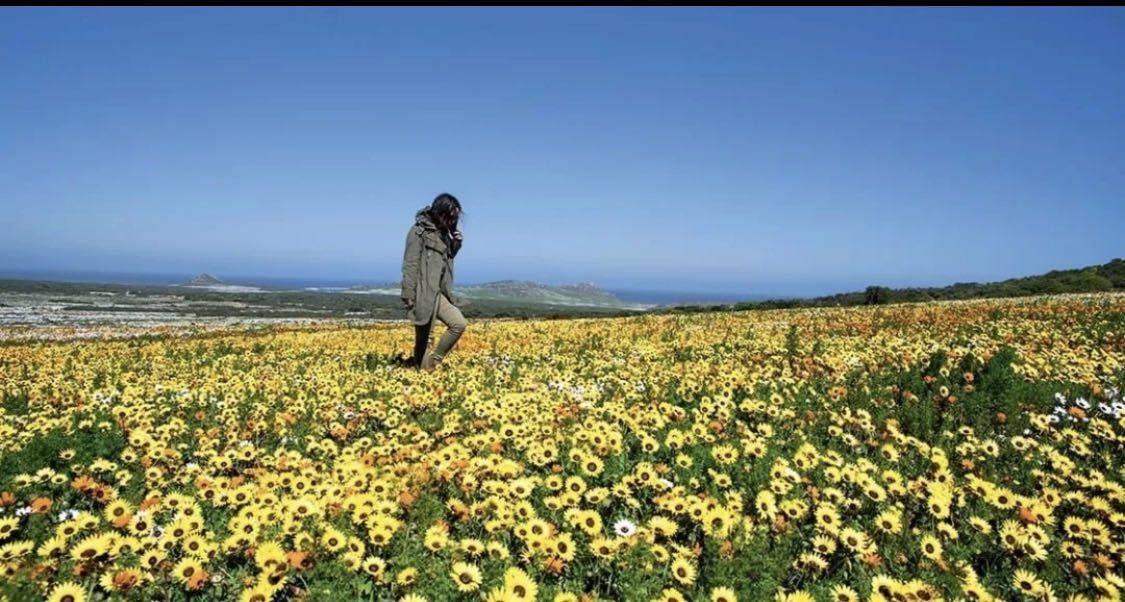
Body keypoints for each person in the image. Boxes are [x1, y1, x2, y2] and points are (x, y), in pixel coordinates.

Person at [401, 193, 466, 370]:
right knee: (424, 339)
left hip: (439, 292)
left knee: (458, 324)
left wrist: (455, 244)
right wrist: (408, 293)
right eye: (450, 216)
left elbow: (446, 259)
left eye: (455, 218)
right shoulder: (418, 231)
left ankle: (434, 361)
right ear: (440, 212)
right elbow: (410, 263)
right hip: (422, 292)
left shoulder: (444, 233)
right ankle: (419, 368)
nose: (453, 221)